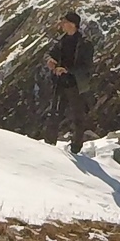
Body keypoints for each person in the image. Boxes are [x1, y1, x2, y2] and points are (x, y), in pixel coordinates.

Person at [43, 10, 90, 154]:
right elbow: (50, 53)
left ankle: (76, 147)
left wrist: (67, 70)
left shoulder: (85, 44)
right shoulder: (62, 40)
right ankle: (49, 143)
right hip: (61, 82)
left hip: (76, 84)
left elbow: (86, 66)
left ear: (72, 24)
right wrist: (50, 60)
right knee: (55, 112)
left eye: (65, 22)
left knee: (77, 116)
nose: (62, 25)